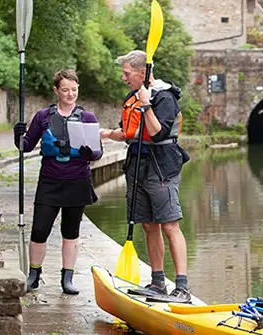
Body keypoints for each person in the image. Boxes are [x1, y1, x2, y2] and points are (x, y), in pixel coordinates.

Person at [100, 50, 191, 301]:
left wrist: (146, 104)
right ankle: (158, 282)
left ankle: (182, 287)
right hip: (137, 165)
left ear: (143, 73)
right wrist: (105, 133)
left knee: (170, 225)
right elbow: (128, 131)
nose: (123, 78)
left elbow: (158, 132)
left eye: (127, 73)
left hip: (162, 166)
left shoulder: (165, 98)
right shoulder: (132, 96)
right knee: (149, 225)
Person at [13, 69, 103, 295]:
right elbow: (26, 146)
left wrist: (89, 153)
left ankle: (68, 278)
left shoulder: (87, 118)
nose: (70, 94)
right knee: (39, 230)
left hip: (77, 181)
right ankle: (34, 275)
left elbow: (98, 152)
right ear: (56, 91)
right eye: (65, 90)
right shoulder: (43, 116)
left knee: (70, 232)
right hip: (50, 181)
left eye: (74, 89)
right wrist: (18, 135)